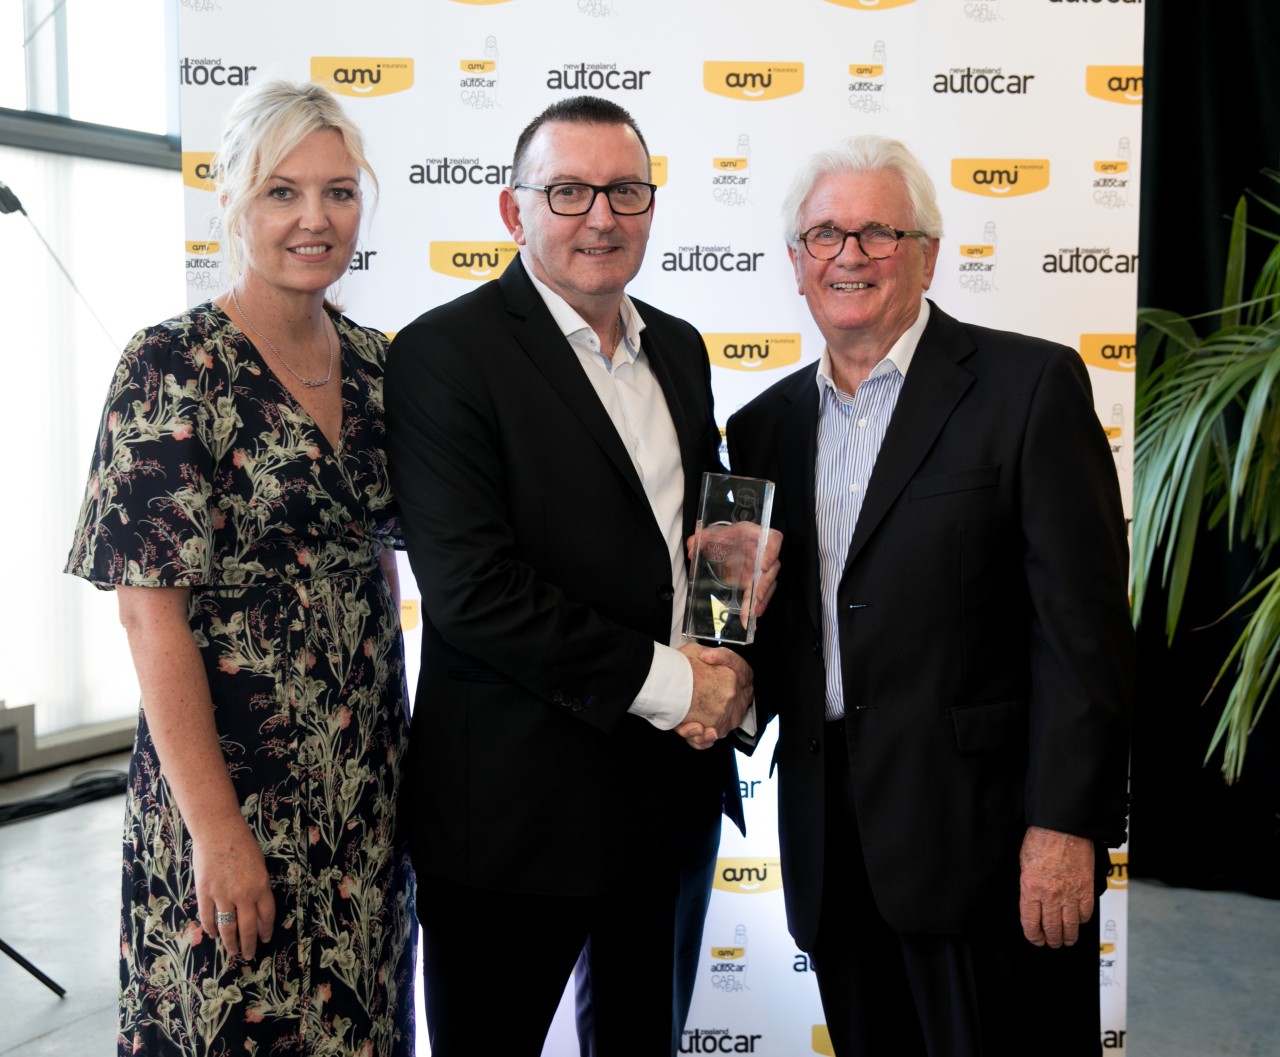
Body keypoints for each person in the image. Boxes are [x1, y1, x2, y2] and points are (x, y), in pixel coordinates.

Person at [385, 95, 775, 1057]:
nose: (601, 215)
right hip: (514, 820)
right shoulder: (445, 353)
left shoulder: (678, 348)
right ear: (515, 213)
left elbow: (691, 550)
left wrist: (728, 626)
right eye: (569, 191)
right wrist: (688, 683)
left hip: (667, 803)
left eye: (626, 190)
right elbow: (476, 593)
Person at [726, 135, 1133, 1057]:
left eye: (878, 231)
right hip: (835, 858)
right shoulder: (760, 431)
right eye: (824, 235)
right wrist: (717, 667)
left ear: (928, 253)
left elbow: (1084, 634)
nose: (850, 255)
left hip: (990, 856)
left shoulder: (1028, 388)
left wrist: (1065, 825)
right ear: (796, 265)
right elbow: (764, 634)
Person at [65, 80, 416, 1057]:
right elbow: (149, 618)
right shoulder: (173, 367)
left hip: (364, 805)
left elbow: (412, 558)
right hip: (230, 799)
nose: (315, 218)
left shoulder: (383, 367)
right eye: (283, 192)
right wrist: (217, 834)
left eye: (339, 192)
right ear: (234, 202)